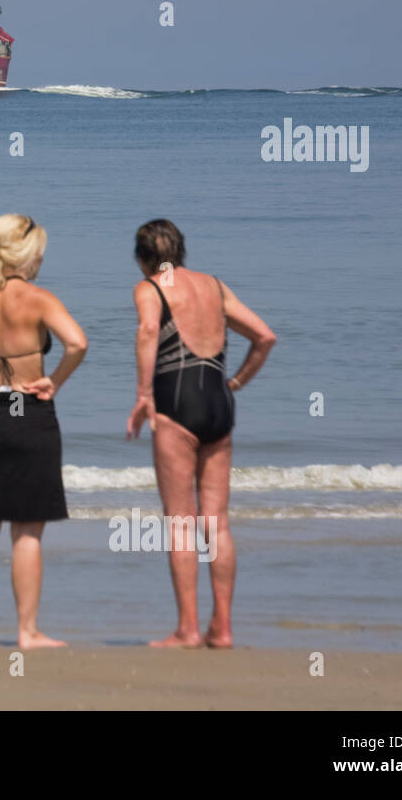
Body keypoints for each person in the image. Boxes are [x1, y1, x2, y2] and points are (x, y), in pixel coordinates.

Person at [125, 219, 276, 648]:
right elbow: (265, 336)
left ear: (142, 259)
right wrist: (237, 384)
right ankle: (222, 629)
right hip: (219, 405)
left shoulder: (149, 288)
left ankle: (188, 629)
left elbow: (150, 330)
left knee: (180, 524)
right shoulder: (214, 285)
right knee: (218, 524)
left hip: (176, 406)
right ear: (182, 250)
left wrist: (142, 396)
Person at [0, 214, 88, 649]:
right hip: (28, 411)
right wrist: (56, 381)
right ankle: (27, 633)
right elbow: (77, 343)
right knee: (27, 531)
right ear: (27, 257)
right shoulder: (38, 299)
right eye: (40, 254)